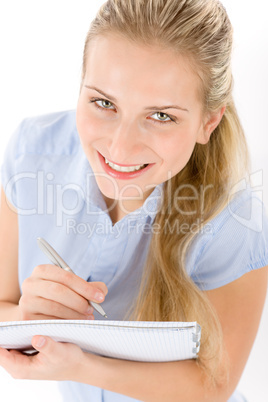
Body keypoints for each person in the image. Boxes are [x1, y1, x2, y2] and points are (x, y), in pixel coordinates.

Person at [0, 0, 267, 400]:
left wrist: (80, 363)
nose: (120, 148)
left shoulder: (234, 218)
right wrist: (28, 317)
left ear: (207, 122)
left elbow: (213, 385)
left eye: (161, 115)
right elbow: (4, 307)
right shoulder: (32, 154)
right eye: (104, 103)